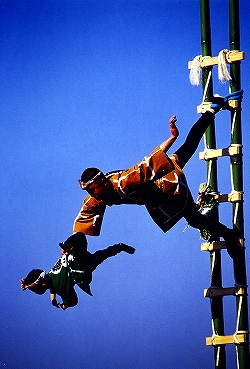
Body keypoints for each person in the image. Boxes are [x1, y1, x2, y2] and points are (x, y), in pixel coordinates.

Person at [73, 91, 243, 258]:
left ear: (102, 182)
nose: (93, 194)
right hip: (160, 185)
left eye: (94, 190)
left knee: (194, 220)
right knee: (189, 146)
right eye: (90, 192)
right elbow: (84, 218)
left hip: (168, 185)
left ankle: (229, 234)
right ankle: (213, 109)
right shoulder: (95, 197)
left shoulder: (124, 182)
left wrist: (172, 137)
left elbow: (147, 163)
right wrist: (73, 244)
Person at [20, 232, 135, 310]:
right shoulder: (58, 285)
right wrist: (64, 304)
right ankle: (119, 247)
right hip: (79, 269)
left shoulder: (54, 282)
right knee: (95, 251)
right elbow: (70, 299)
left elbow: (55, 291)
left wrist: (58, 302)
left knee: (93, 248)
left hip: (76, 259)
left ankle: (119, 247)